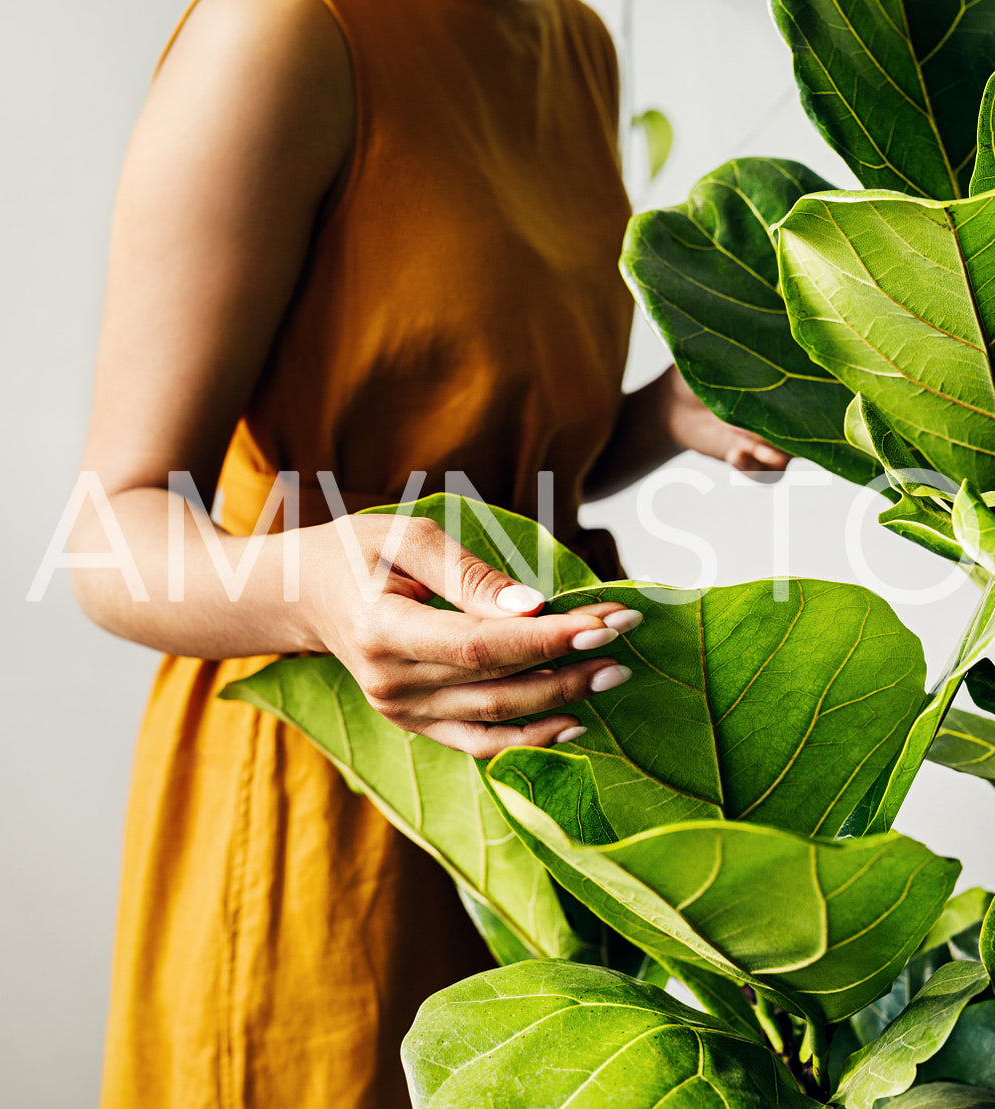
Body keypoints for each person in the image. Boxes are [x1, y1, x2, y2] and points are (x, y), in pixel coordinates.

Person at [68, 0, 790, 1104]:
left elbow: (494, 469)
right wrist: (311, 591)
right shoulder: (283, 29)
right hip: (331, 785)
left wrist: (662, 417)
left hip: (538, 796)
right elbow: (108, 530)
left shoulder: (574, 40)